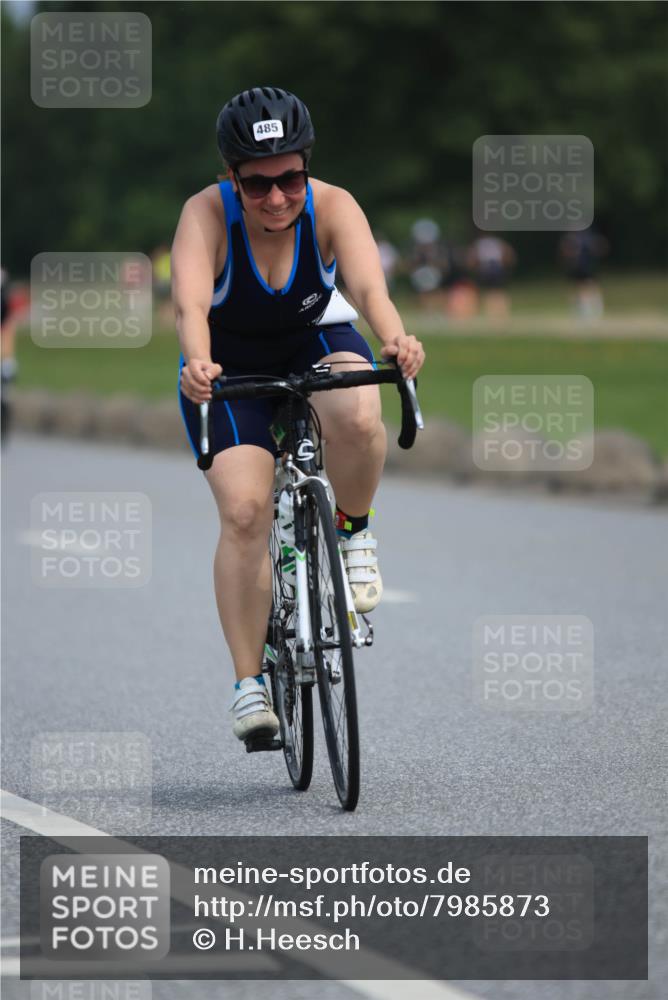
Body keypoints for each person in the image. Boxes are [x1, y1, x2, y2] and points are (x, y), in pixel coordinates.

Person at [172, 87, 425, 743]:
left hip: (314, 339)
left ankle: (354, 529)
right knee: (247, 513)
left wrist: (397, 338)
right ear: (232, 176)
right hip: (227, 368)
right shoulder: (204, 215)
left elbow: (371, 289)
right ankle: (249, 684)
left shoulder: (335, 206)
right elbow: (190, 308)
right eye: (258, 185)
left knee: (361, 412)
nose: (278, 197)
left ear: (306, 166)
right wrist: (197, 363)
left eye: (290, 177)